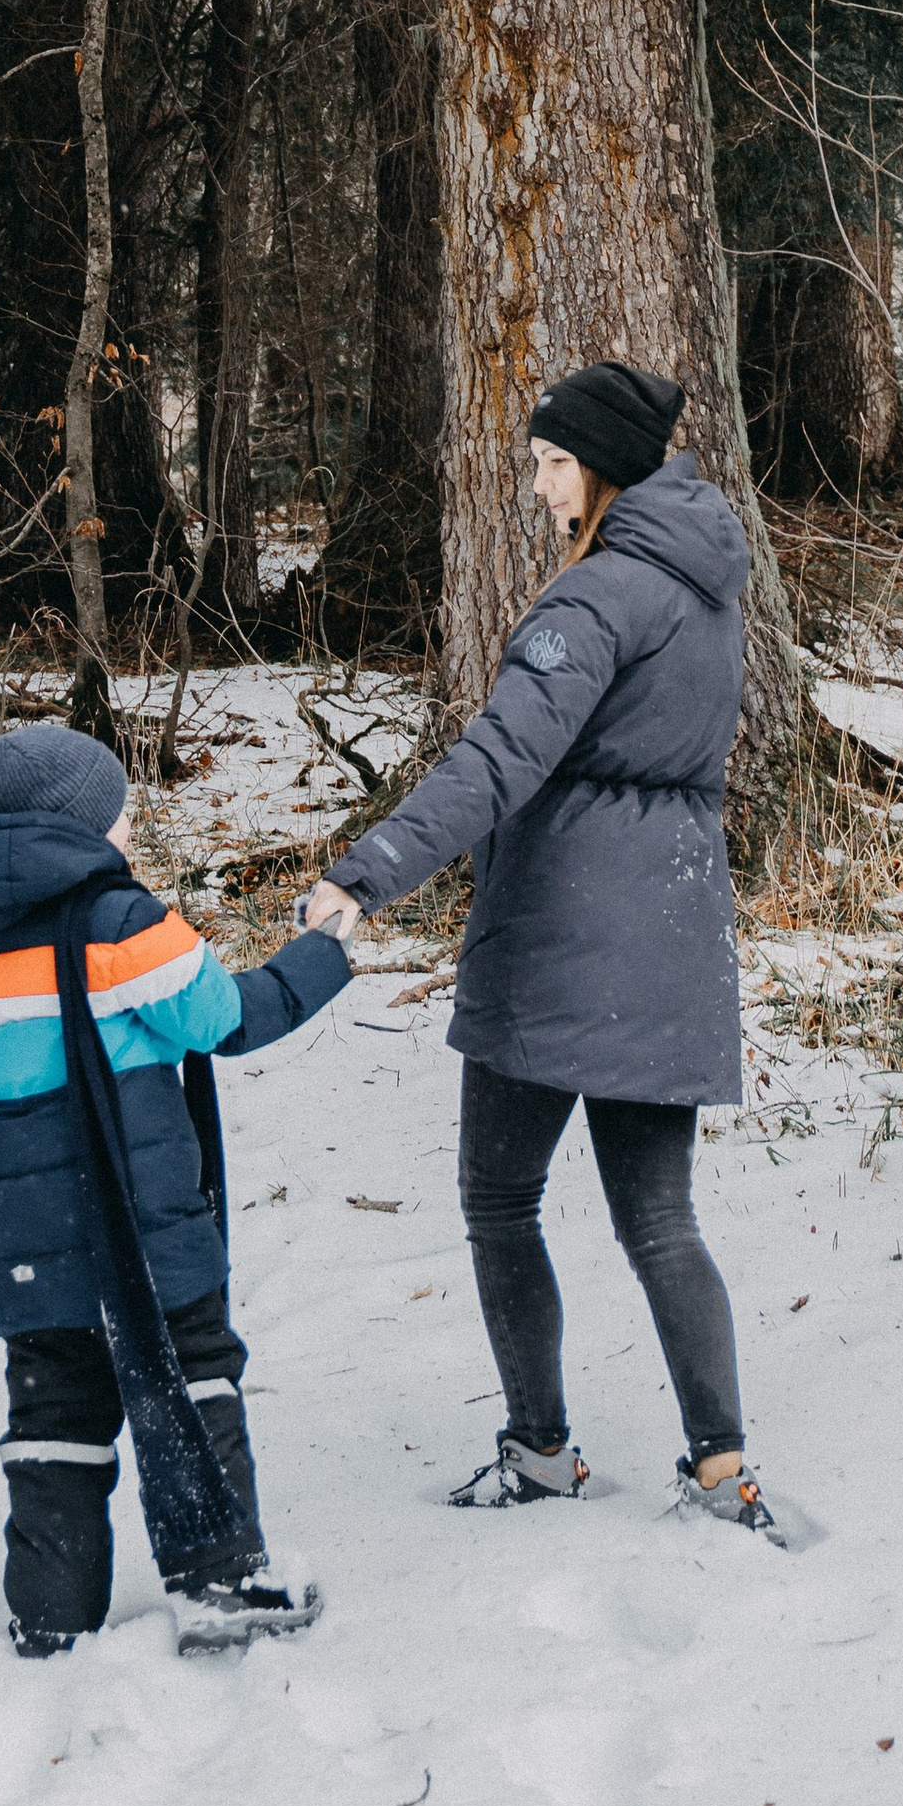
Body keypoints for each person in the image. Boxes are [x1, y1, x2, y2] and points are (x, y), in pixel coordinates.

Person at [306, 358, 780, 1537]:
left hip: (564, 933)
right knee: (661, 1220)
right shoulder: (709, 588)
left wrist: (369, 872)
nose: (536, 486)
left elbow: (495, 764)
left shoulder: (594, 601)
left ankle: (538, 1451)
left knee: (500, 1199)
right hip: (673, 924)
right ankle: (723, 1474)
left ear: (604, 467)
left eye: (551, 463)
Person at [0, 718, 352, 1656]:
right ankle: (222, 1580)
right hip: (140, 1232)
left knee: (52, 1407)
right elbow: (228, 1018)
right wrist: (325, 951)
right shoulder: (122, 924)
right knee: (195, 1369)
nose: (128, 832)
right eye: (120, 816)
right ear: (87, 826)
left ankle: (50, 1608)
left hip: (22, 1244)